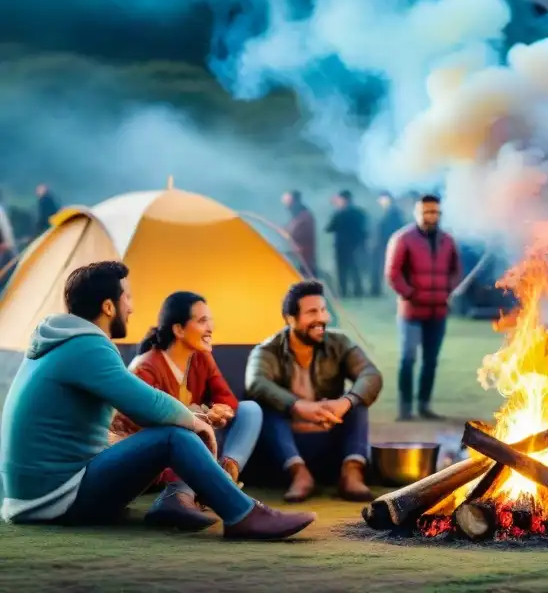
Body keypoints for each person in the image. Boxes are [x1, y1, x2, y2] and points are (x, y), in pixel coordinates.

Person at [0, 261, 314, 539]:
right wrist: (198, 425)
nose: (132, 308)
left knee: (182, 430)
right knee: (172, 437)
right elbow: (146, 404)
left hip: (36, 495)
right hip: (55, 499)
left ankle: (190, 497)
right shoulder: (86, 346)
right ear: (109, 307)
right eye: (128, 298)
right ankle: (243, 515)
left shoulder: (62, 341)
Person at [109, 291, 263, 529]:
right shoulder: (145, 368)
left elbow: (227, 399)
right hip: (159, 455)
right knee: (187, 437)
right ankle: (200, 487)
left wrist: (220, 410)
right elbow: (148, 426)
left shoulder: (201, 358)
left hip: (198, 439)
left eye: (210, 320)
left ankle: (227, 473)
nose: (210, 328)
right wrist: (199, 416)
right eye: (202, 321)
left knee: (250, 410)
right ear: (179, 330)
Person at [245, 280, 381, 503]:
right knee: (264, 406)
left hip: (329, 432)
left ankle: (352, 473)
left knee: (358, 402)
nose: (322, 318)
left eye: (323, 310)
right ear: (291, 319)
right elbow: (256, 382)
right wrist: (298, 406)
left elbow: (370, 375)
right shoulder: (267, 350)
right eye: (312, 312)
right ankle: (299, 474)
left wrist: (344, 403)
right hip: (289, 441)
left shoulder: (339, 343)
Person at [385, 193, 461, 421]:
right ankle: (405, 409)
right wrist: (411, 294)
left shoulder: (447, 240)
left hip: (438, 311)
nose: (432, 216)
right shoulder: (403, 239)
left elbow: (456, 270)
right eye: (427, 211)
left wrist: (449, 290)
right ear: (417, 212)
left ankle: (424, 406)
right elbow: (392, 274)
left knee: (431, 360)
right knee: (408, 359)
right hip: (412, 312)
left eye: (435, 212)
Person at [325, 189, 369, 298]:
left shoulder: (339, 213)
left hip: (342, 246)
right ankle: (358, 292)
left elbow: (329, 228)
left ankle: (343, 292)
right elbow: (364, 230)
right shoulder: (359, 213)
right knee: (355, 270)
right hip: (355, 246)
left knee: (343, 271)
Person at [370, 191, 405, 297]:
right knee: (379, 268)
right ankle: (376, 290)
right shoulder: (389, 212)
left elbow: (392, 229)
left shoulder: (394, 213)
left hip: (388, 244)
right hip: (384, 244)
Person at [283, 189, 317, 277]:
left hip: (303, 251)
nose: (285, 202)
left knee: (306, 272)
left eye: (287, 199)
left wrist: (288, 231)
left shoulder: (302, 214)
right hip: (301, 250)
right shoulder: (299, 212)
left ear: (293, 199)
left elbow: (297, 230)